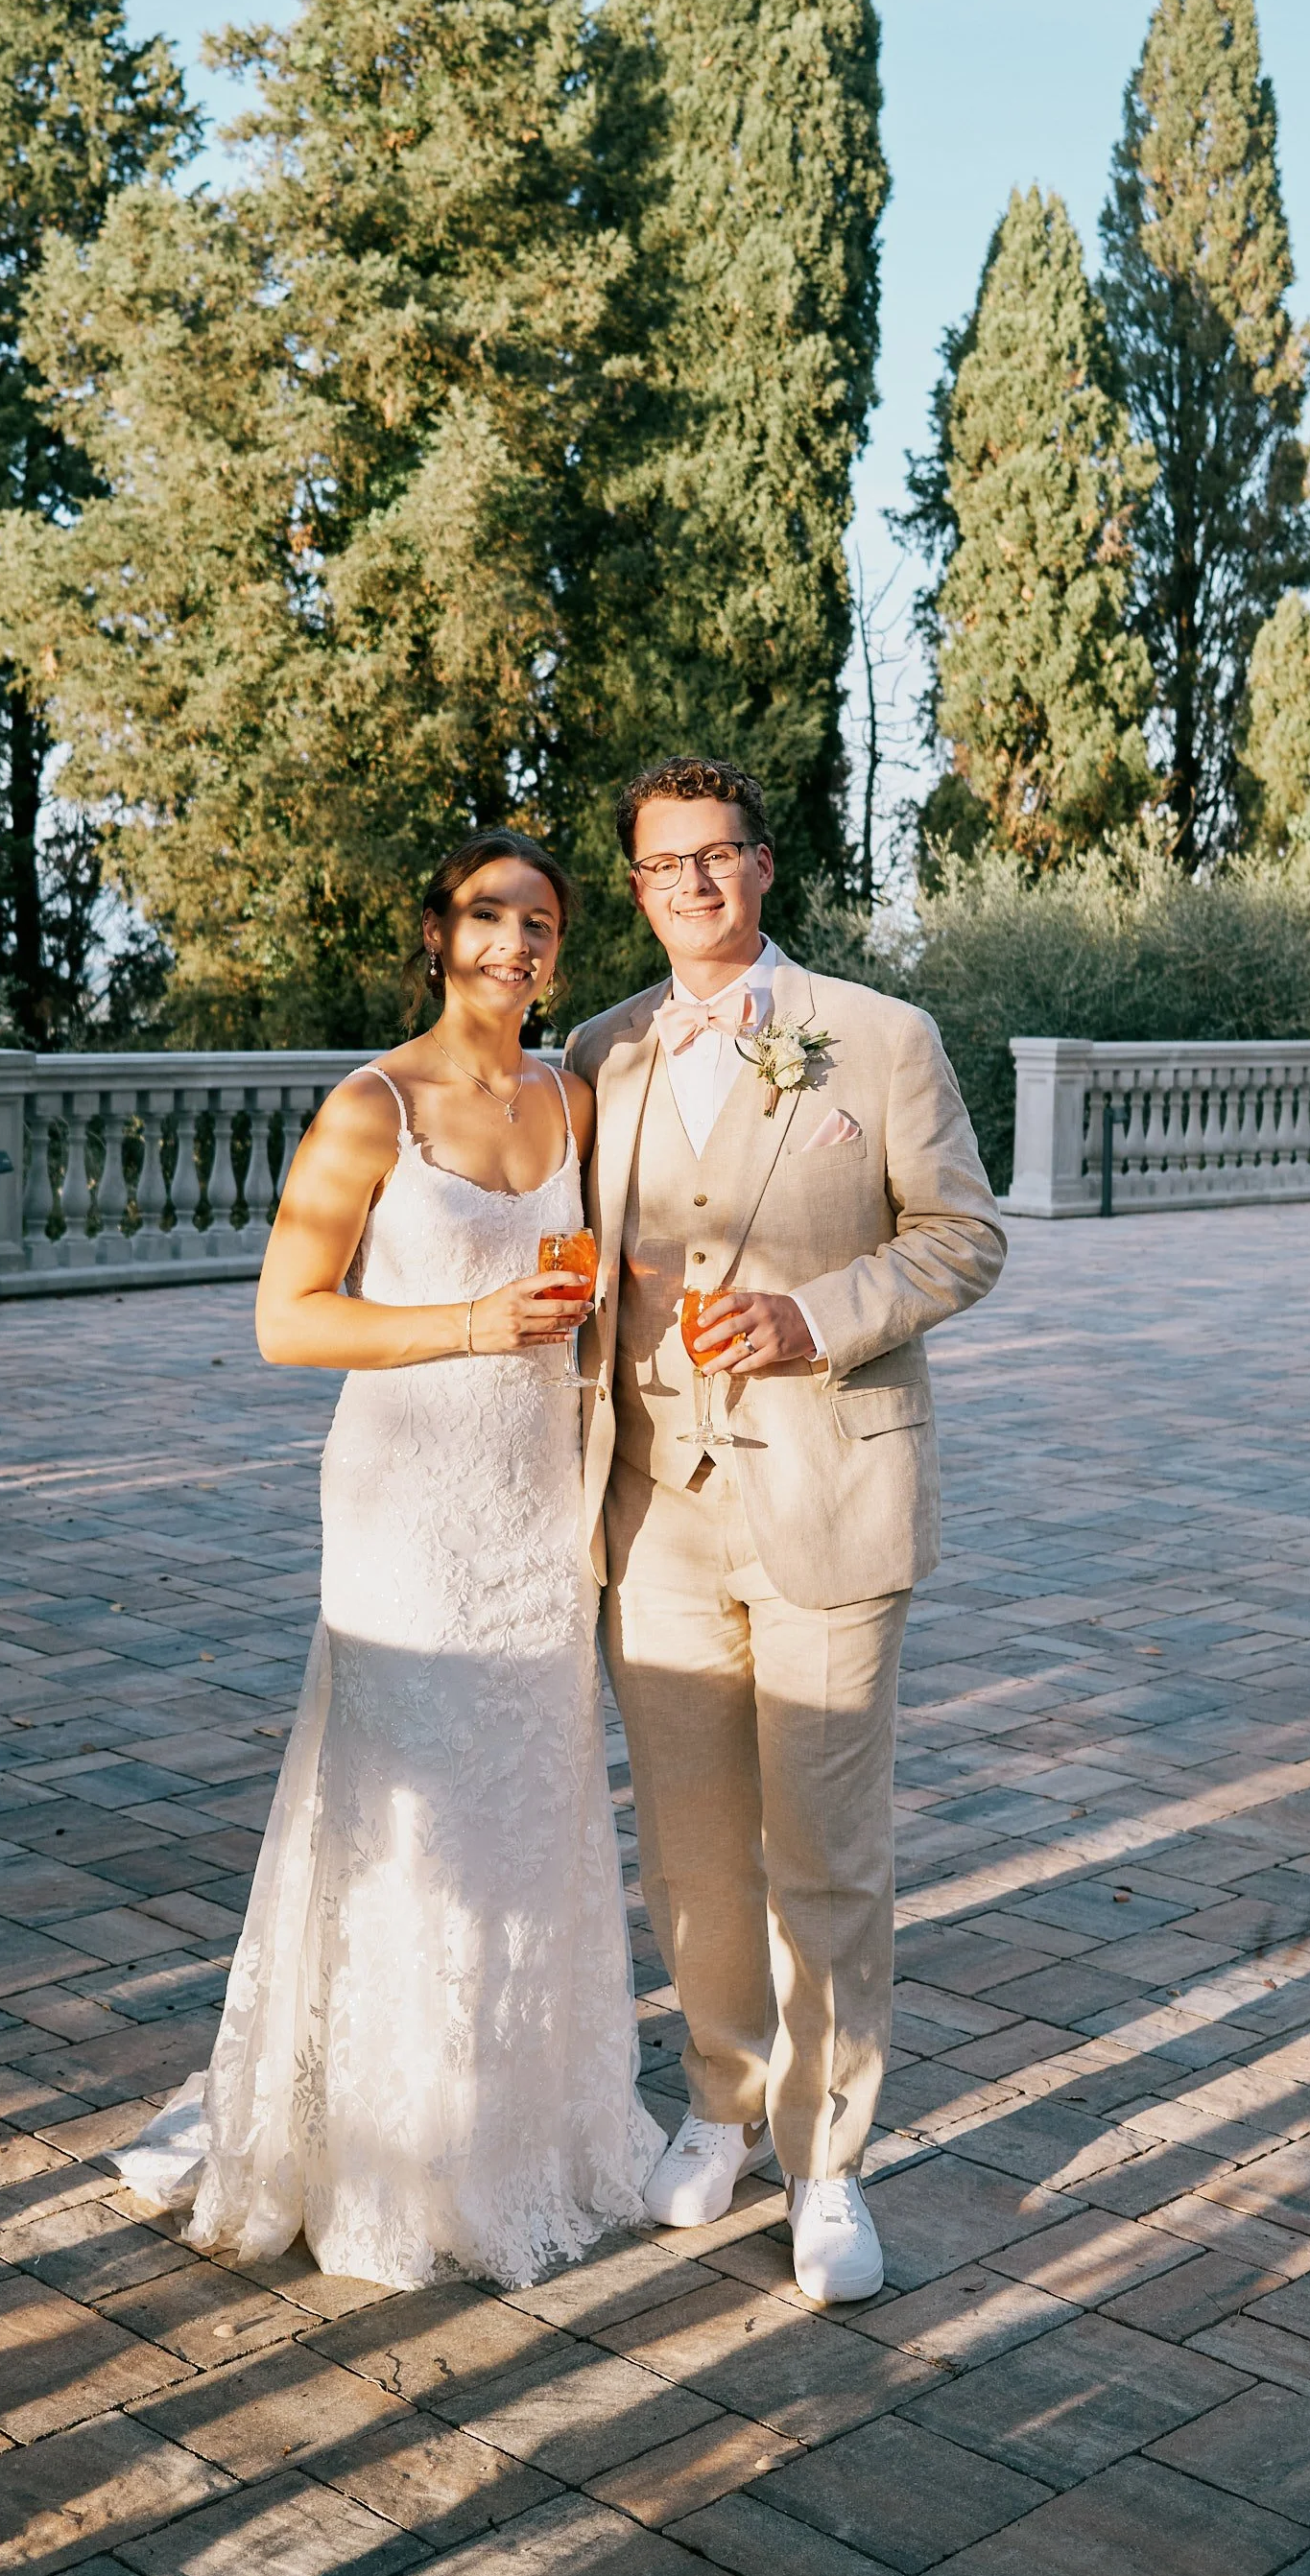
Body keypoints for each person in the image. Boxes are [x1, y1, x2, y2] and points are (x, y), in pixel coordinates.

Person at [114, 830, 661, 2289]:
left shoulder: (574, 1097)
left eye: (541, 923)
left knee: (531, 1807)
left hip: (537, 1500)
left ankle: (525, 2133)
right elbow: (287, 1318)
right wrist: (468, 1327)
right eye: (489, 918)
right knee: (408, 1815)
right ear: (437, 935)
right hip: (407, 1506)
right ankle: (387, 2150)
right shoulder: (371, 1109)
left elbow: (601, 1277)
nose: (516, 946)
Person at [566, 756, 1006, 2304]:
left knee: (826, 1852)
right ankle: (720, 2103)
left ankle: (829, 2164)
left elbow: (964, 1236)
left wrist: (815, 1318)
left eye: (718, 856)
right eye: (661, 862)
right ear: (635, 886)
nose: (691, 882)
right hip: (654, 1516)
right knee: (688, 1854)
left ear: (765, 869)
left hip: (829, 1494)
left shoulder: (881, 1040)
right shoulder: (596, 1054)